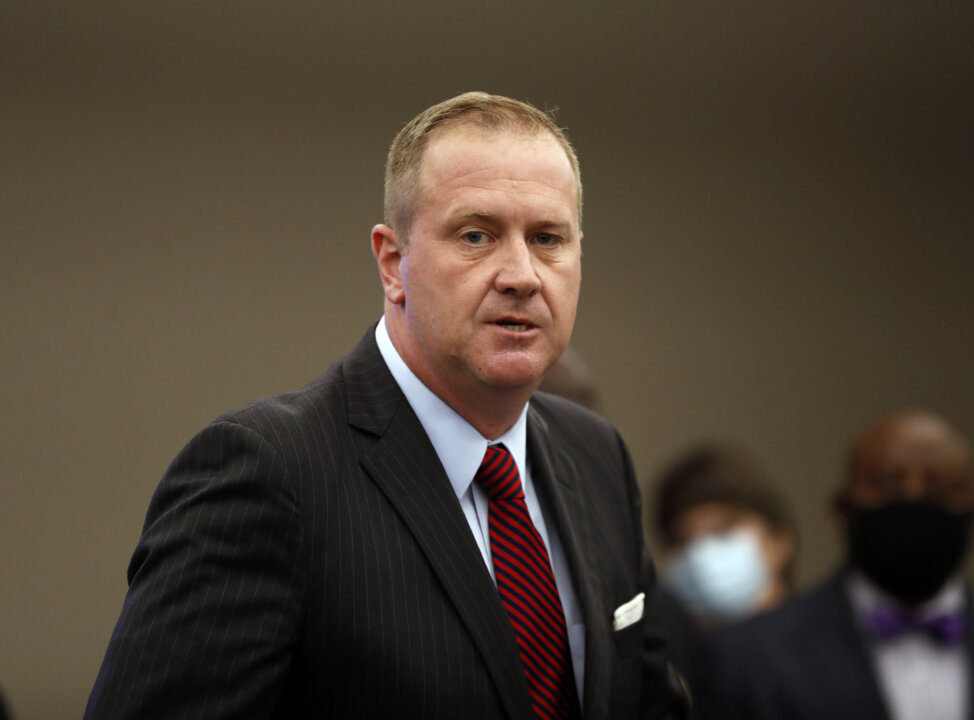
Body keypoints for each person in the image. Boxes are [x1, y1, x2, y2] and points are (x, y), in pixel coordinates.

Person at [85, 92, 685, 720]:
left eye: (547, 238)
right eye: (476, 235)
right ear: (393, 264)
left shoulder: (597, 458)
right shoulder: (270, 472)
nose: (522, 274)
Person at [693, 408, 974, 720]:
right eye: (886, 486)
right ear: (841, 509)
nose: (913, 500)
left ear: (973, 515)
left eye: (938, 489)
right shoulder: (748, 660)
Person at [651, 445, 796, 696]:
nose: (701, 557)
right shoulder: (670, 683)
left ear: (778, 539)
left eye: (721, 532)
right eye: (683, 543)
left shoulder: (834, 657)